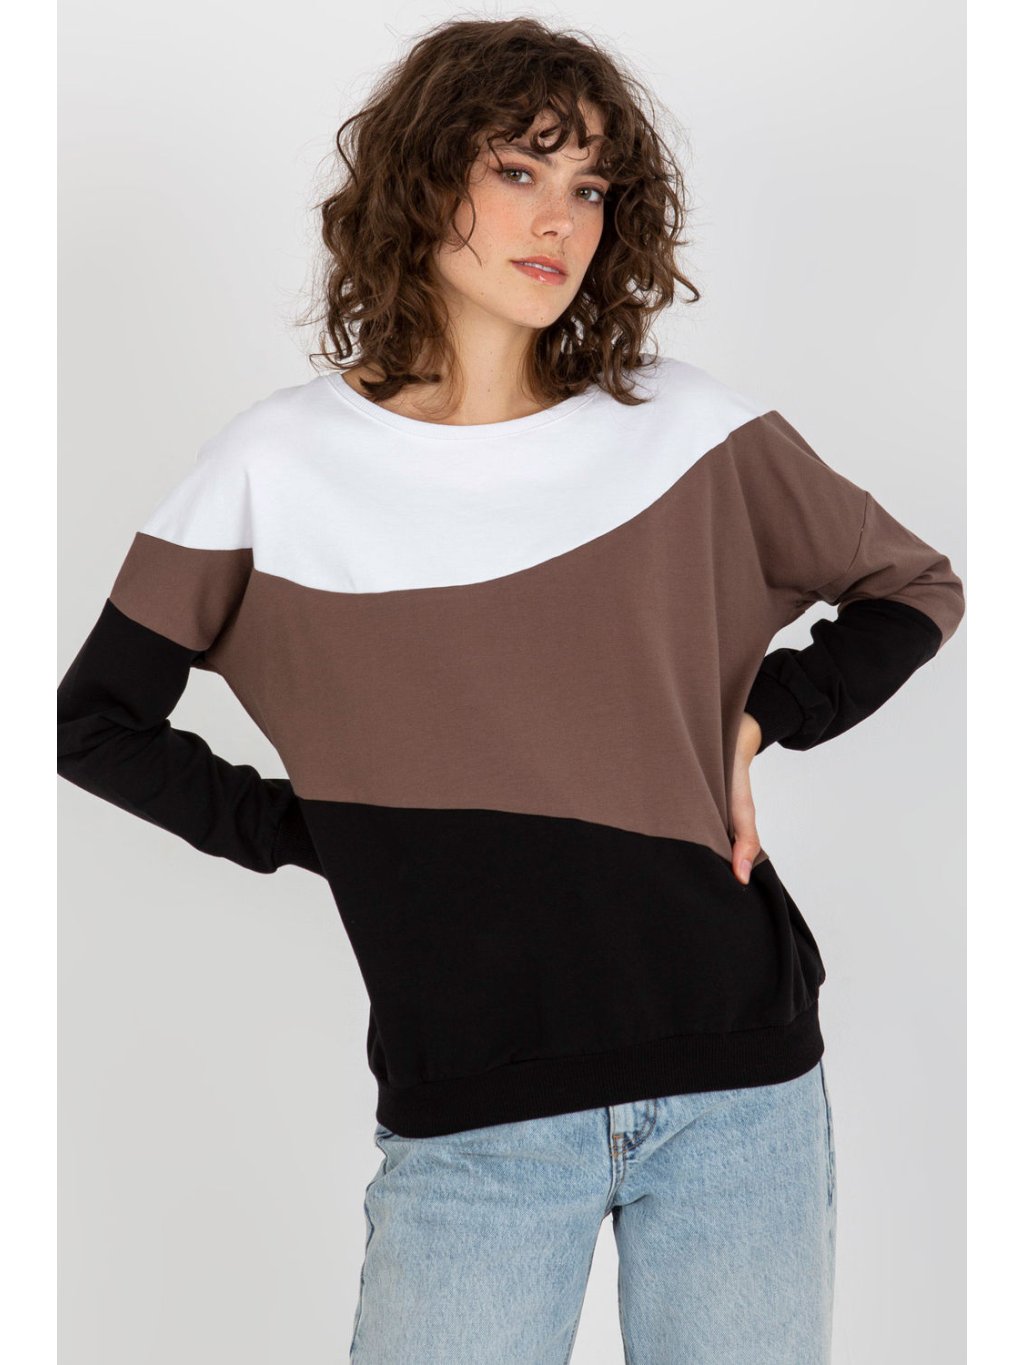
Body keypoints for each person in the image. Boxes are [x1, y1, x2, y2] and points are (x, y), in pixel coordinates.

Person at [57, 15, 965, 1364]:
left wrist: (758, 718)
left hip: (739, 1084)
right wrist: (319, 826)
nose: (559, 220)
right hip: (474, 1116)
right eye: (519, 170)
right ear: (423, 181)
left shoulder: (687, 430)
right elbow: (94, 724)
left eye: (589, 186)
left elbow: (914, 586)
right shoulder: (274, 469)